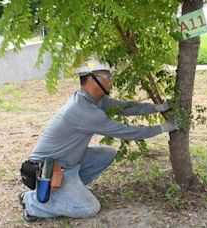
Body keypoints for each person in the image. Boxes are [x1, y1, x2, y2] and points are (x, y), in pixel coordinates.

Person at [18, 56, 178, 221]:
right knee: (89, 208)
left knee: (106, 154)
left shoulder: (92, 100)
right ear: (92, 80)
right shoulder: (83, 110)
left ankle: (68, 191)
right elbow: (126, 131)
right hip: (48, 170)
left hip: (67, 163)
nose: (111, 81)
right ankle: (30, 202)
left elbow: (123, 107)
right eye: (108, 77)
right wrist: (165, 127)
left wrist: (158, 107)